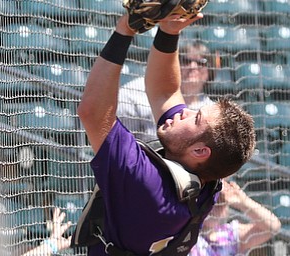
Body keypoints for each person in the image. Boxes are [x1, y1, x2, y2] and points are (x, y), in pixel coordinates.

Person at [77, 12, 256, 255]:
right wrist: (169, 32)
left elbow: (93, 113)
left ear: (200, 151)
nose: (185, 112)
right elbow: (166, 92)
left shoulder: (150, 186)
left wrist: (125, 30)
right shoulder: (206, 179)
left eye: (197, 117)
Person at [117, 40, 215, 142]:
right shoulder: (137, 91)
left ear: (210, 70)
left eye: (201, 62)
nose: (193, 66)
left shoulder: (210, 110)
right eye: (186, 61)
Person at [190, 180, 281, 256]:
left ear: (226, 211)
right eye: (210, 200)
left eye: (220, 201)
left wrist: (242, 202)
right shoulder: (184, 229)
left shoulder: (229, 235)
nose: (213, 206)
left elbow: (272, 227)